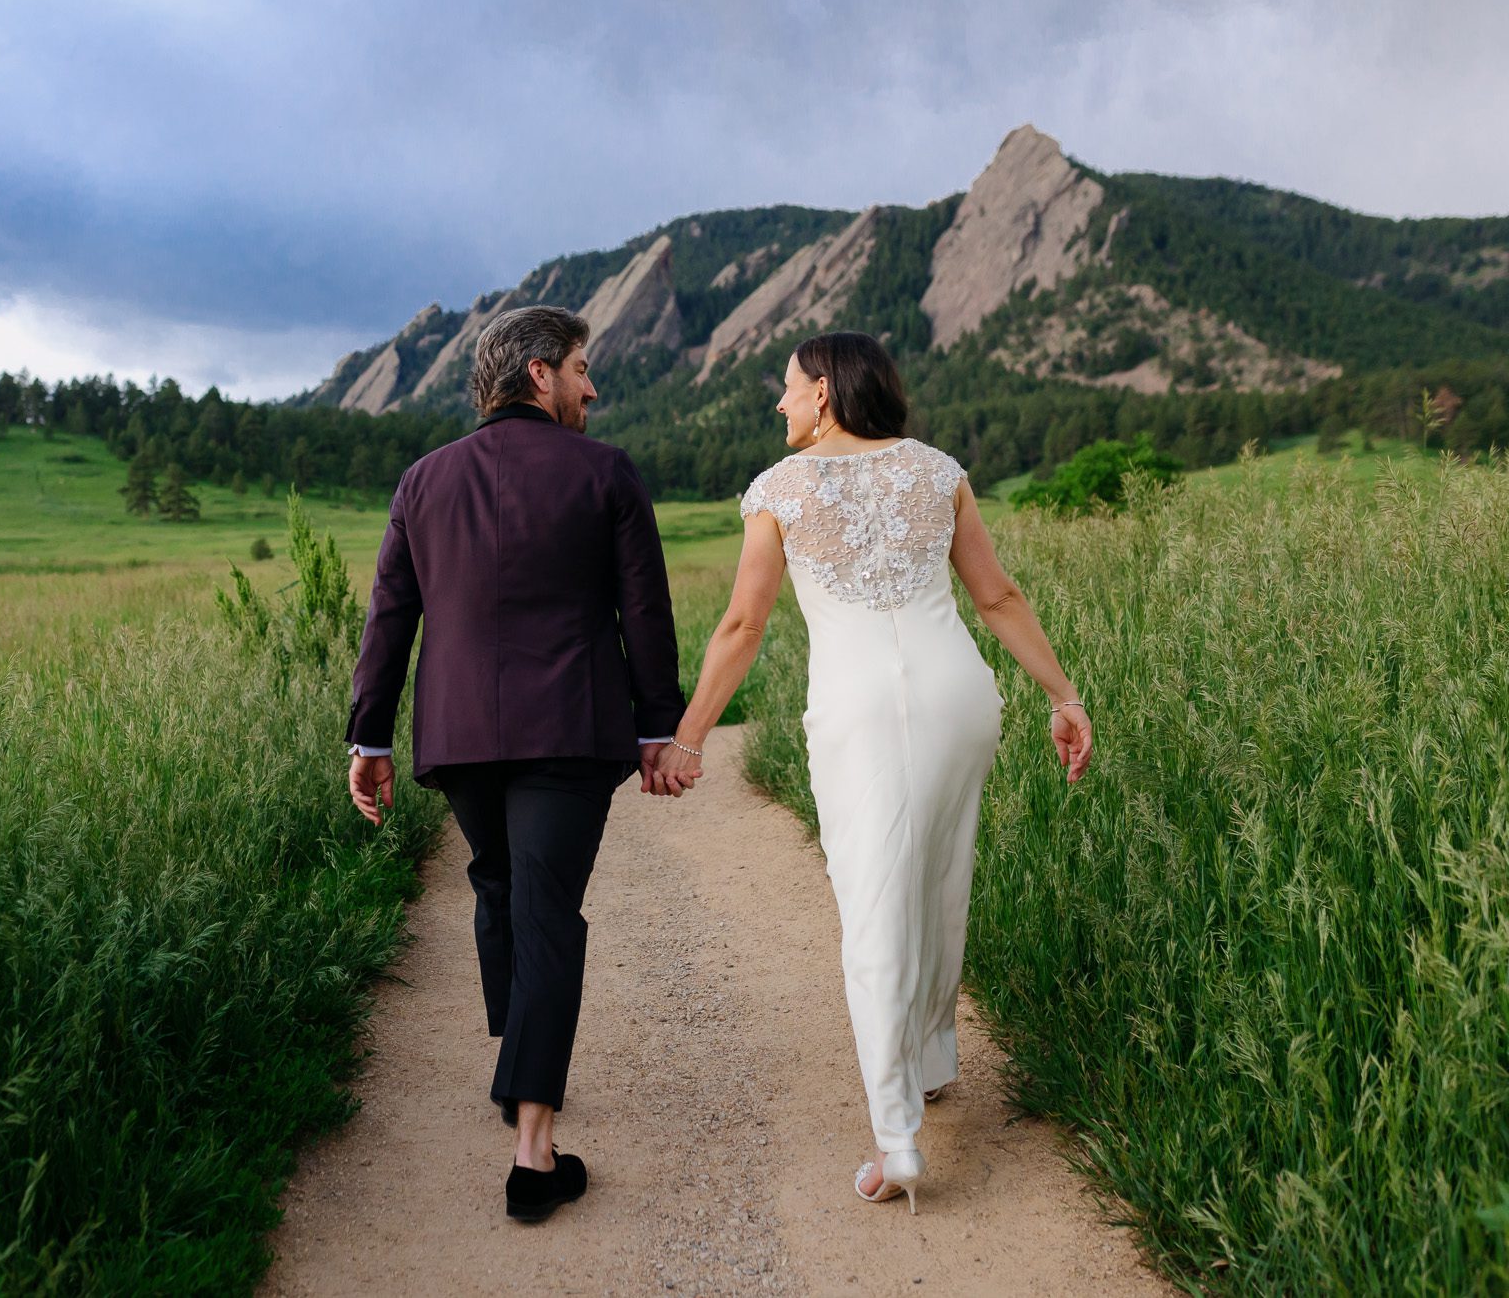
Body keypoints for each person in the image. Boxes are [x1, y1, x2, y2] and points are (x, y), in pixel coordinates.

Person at [651, 330, 1092, 1214]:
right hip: (959, 694)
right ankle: (928, 1061)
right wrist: (1064, 694)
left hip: (859, 709)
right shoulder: (938, 471)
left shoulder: (781, 490)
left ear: (823, 391)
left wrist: (689, 736)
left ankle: (898, 1141)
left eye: (788, 387)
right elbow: (996, 595)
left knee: (874, 905)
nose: (779, 402)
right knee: (938, 878)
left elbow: (743, 625)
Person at [345, 304, 687, 1223]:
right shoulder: (605, 472)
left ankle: (518, 1067)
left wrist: (370, 739)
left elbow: (389, 618)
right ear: (539, 373)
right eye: (581, 367)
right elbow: (645, 612)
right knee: (543, 910)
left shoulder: (423, 480)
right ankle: (534, 1154)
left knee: (500, 886)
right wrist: (657, 725)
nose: (591, 387)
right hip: (569, 728)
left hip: (458, 734)